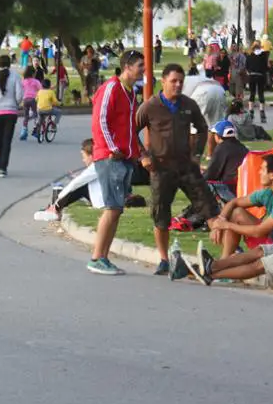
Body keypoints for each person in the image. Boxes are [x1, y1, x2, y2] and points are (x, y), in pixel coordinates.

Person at [136, 63, 218, 275]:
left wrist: (197, 153)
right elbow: (130, 132)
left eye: (181, 81)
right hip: (161, 168)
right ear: (163, 81)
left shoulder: (188, 104)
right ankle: (164, 259)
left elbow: (202, 128)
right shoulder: (150, 106)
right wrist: (143, 156)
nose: (178, 85)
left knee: (209, 207)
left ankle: (224, 258)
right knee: (160, 213)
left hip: (186, 166)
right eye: (173, 81)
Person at [87, 50, 145, 275]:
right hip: (110, 157)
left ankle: (103, 256)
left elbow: (129, 127)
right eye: (139, 66)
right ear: (127, 66)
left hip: (125, 157)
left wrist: (138, 151)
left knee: (117, 209)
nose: (143, 70)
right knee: (112, 208)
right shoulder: (111, 87)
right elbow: (100, 120)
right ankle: (96, 257)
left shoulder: (131, 92)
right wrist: (112, 148)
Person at [206, 153, 273, 259]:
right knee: (237, 213)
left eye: (262, 169)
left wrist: (226, 225)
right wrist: (219, 222)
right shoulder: (269, 192)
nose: (259, 172)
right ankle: (224, 260)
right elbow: (234, 202)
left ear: (272, 175)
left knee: (242, 258)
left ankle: (222, 263)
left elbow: (258, 232)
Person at [202, 120, 249, 203]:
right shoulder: (242, 147)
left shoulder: (221, 148)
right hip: (243, 187)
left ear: (218, 136)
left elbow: (210, 174)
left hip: (229, 188)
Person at [245, 40, 270, 123]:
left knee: (252, 94)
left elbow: (247, 67)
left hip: (252, 76)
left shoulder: (249, 56)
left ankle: (251, 112)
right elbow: (266, 68)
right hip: (260, 76)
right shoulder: (264, 55)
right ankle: (262, 112)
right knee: (261, 94)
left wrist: (250, 72)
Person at [20, 66, 41, 140]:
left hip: (25, 100)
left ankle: (24, 131)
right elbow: (41, 90)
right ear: (32, 73)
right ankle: (36, 130)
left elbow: (21, 90)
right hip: (33, 100)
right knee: (36, 115)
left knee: (26, 116)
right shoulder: (36, 81)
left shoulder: (23, 81)